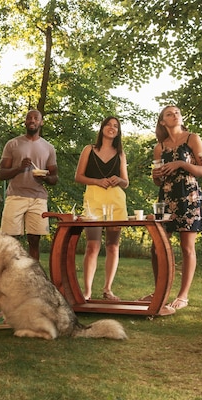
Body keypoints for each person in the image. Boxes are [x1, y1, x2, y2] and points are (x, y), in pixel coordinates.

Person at [151, 106, 202, 310]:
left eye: (177, 112)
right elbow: (158, 180)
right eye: (169, 113)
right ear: (162, 122)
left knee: (187, 247)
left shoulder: (192, 138)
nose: (175, 115)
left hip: (188, 196)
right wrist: (156, 176)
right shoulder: (159, 147)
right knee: (157, 247)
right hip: (165, 197)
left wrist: (180, 164)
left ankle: (183, 296)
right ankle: (159, 291)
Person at [74, 116, 129, 301]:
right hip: (94, 200)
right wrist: (97, 181)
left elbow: (126, 182)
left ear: (118, 131)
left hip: (116, 201)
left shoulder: (120, 153)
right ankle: (87, 292)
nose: (112, 128)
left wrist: (119, 180)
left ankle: (107, 289)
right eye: (109, 125)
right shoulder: (89, 149)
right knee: (92, 245)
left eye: (116, 126)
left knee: (113, 246)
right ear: (102, 128)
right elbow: (79, 177)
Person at [0, 109, 58, 260]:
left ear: (41, 122)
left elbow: (54, 178)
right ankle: (10, 276)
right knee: (11, 241)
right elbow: (1, 174)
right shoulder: (13, 144)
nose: (32, 120)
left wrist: (44, 177)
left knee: (34, 241)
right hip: (15, 196)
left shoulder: (48, 148)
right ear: (25, 122)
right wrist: (19, 168)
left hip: (38, 198)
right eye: (29, 118)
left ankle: (33, 277)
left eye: (36, 118)